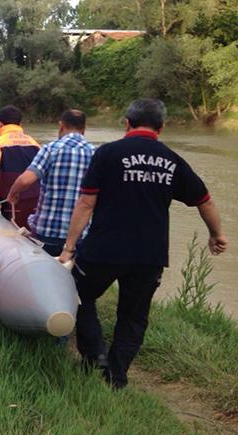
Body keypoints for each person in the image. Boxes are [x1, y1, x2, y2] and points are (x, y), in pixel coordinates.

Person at [58, 98, 228, 389]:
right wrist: (216, 234)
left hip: (103, 250)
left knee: (75, 293)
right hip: (149, 255)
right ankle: (117, 376)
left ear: (126, 123)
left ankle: (94, 355)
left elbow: (86, 203)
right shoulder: (173, 160)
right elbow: (204, 200)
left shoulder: (108, 153)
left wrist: (69, 247)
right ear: (162, 127)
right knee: (134, 316)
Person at [8, 109, 94, 256]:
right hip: (79, 236)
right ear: (84, 129)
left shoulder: (50, 149)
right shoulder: (95, 153)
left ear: (61, 126)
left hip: (47, 234)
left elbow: (25, 180)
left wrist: (13, 194)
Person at [0, 105, 40, 227]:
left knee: (11, 228)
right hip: (34, 197)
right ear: (20, 123)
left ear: (0, 123)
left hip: (10, 198)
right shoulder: (34, 142)